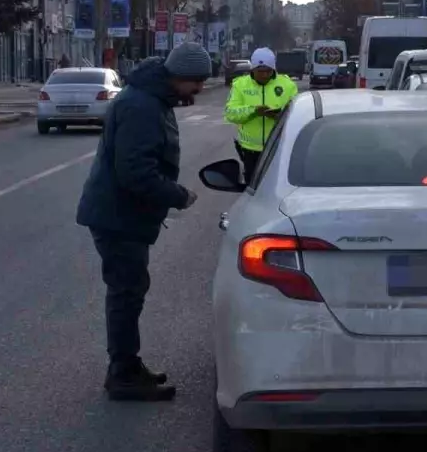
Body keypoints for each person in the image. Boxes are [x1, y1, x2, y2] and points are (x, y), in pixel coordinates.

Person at [75, 42, 211, 401]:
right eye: (197, 81)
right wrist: (178, 195)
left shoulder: (151, 98)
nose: (199, 89)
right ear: (179, 75)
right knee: (126, 293)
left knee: (129, 292)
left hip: (122, 214)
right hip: (118, 217)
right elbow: (135, 171)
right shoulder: (142, 105)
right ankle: (123, 373)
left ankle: (127, 367)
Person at [224, 47, 299, 183]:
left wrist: (279, 116)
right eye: (260, 71)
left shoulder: (288, 85)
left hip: (279, 148)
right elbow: (231, 113)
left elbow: (297, 114)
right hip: (250, 152)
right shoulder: (240, 85)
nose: (264, 75)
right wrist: (253, 111)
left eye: (268, 71)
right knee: (253, 187)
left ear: (274, 69)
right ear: (252, 69)